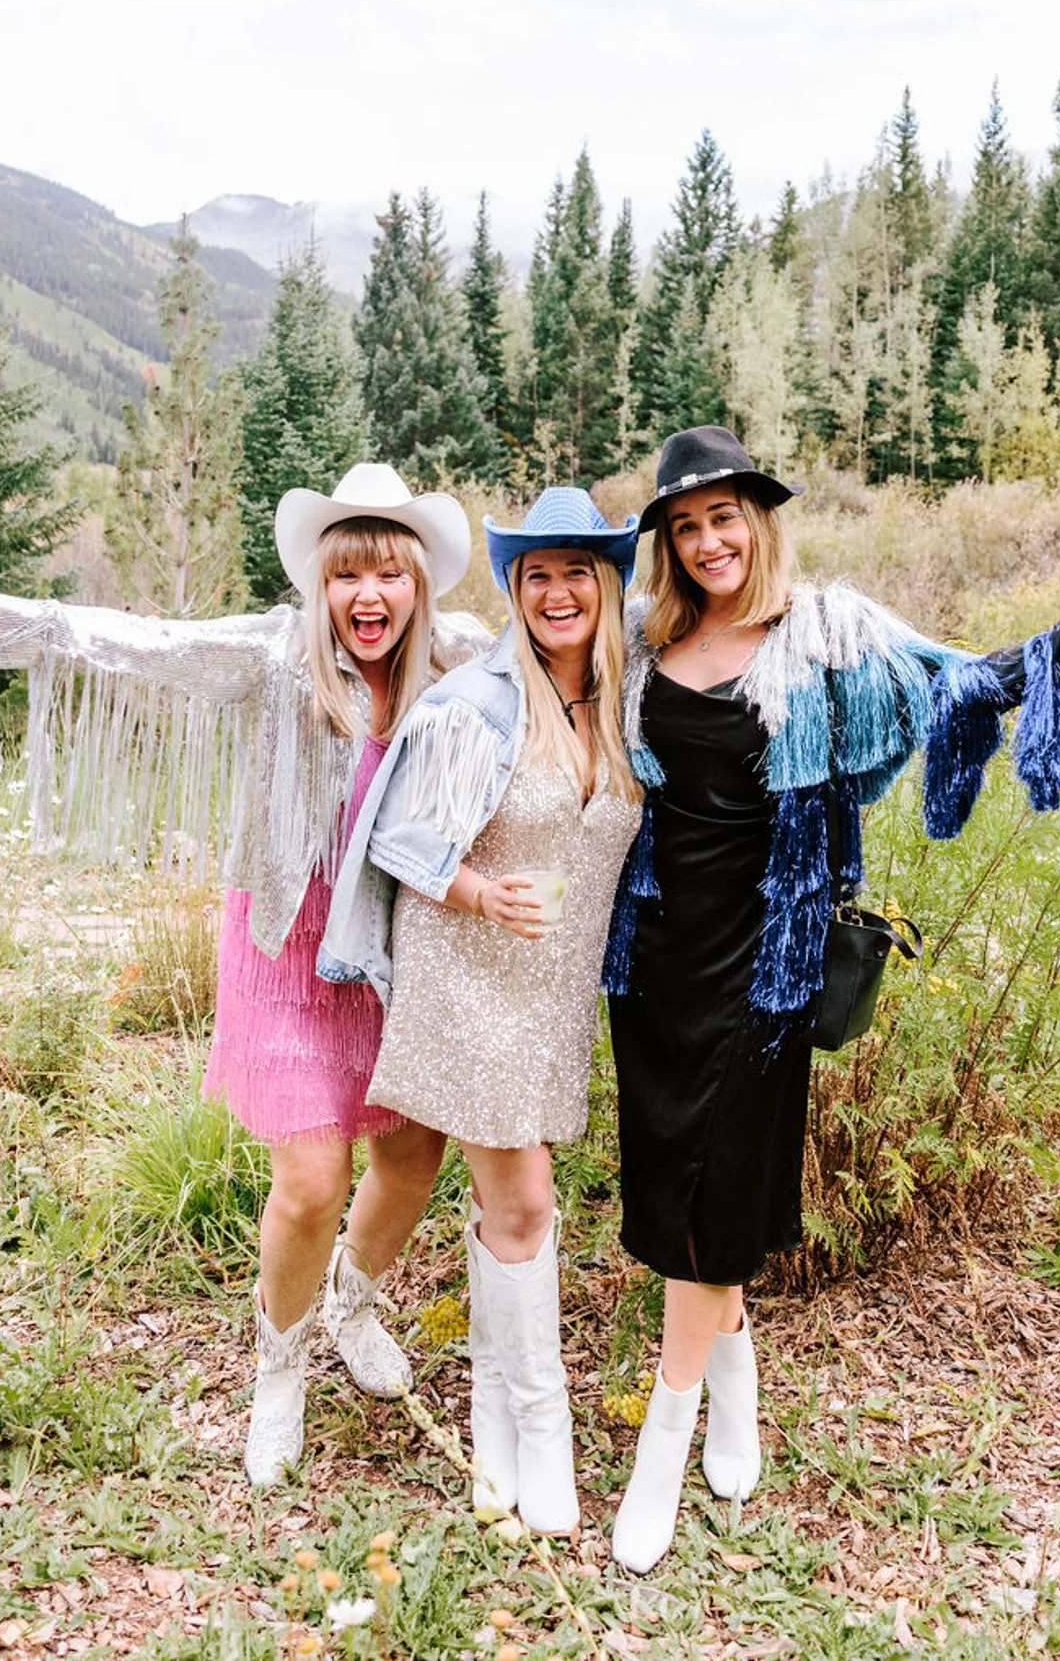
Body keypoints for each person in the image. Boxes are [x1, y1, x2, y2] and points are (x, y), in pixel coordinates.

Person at [0, 463, 485, 1486]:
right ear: (321, 582)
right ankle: (281, 1365)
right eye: (347, 576)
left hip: (391, 955)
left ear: (419, 585)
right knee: (312, 1179)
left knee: (416, 1150)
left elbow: (574, 637)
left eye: (388, 575)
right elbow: (134, 642)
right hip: (287, 950)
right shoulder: (272, 657)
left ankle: (352, 1302)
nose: (367, 597)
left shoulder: (456, 663)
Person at [602, 426, 1060, 1573]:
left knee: (713, 1185)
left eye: (726, 516)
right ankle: (737, 1384)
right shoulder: (643, 645)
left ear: (760, 520)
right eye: (686, 524)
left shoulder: (830, 636)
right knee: (679, 1181)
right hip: (654, 959)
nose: (709, 539)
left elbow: (973, 679)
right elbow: (531, 684)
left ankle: (665, 1436)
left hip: (769, 962)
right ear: (666, 541)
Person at [321, 487, 641, 1535]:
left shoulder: (620, 700)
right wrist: (475, 889)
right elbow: (400, 838)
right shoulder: (481, 702)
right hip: (470, 971)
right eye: (537, 574)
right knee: (528, 1201)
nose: (557, 591)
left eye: (576, 573)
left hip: (551, 991)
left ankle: (501, 1418)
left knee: (512, 1207)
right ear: (515, 586)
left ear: (607, 587)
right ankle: (535, 1427)